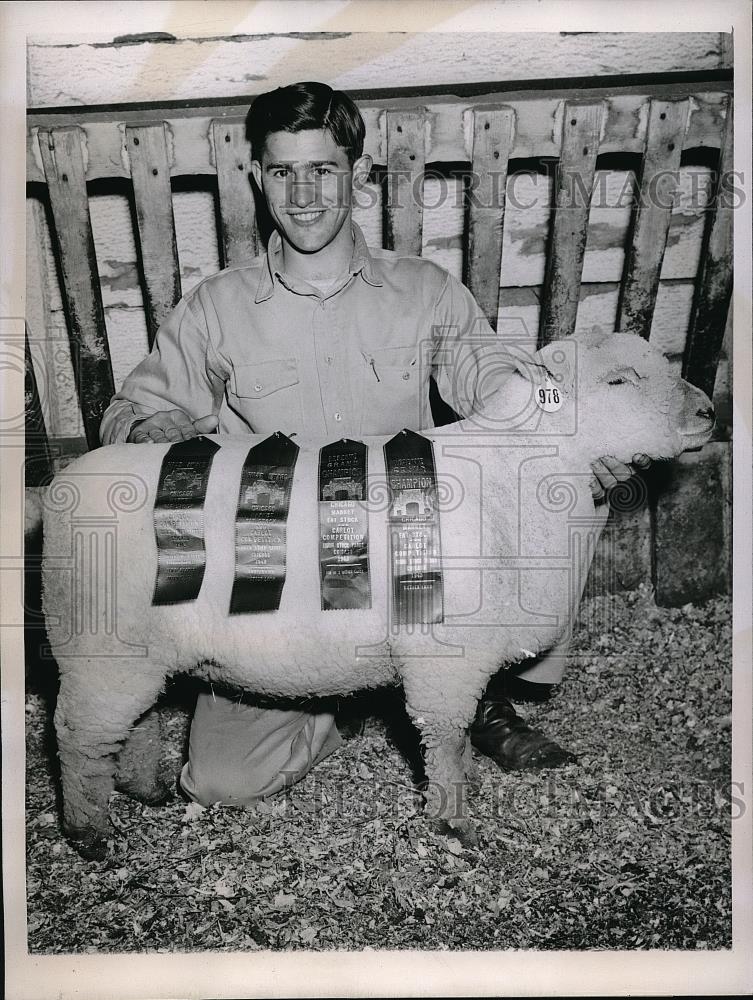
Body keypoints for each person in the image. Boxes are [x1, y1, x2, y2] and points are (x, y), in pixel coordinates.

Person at [100, 82, 645, 806]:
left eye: (322, 170)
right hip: (283, 567)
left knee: (569, 481)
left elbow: (501, 378)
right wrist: (150, 429)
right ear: (258, 178)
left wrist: (566, 419)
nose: (303, 194)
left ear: (355, 175)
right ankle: (354, 696)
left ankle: (472, 683)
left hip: (407, 555)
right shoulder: (216, 308)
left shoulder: (422, 289)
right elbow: (130, 412)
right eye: (283, 172)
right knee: (222, 783)